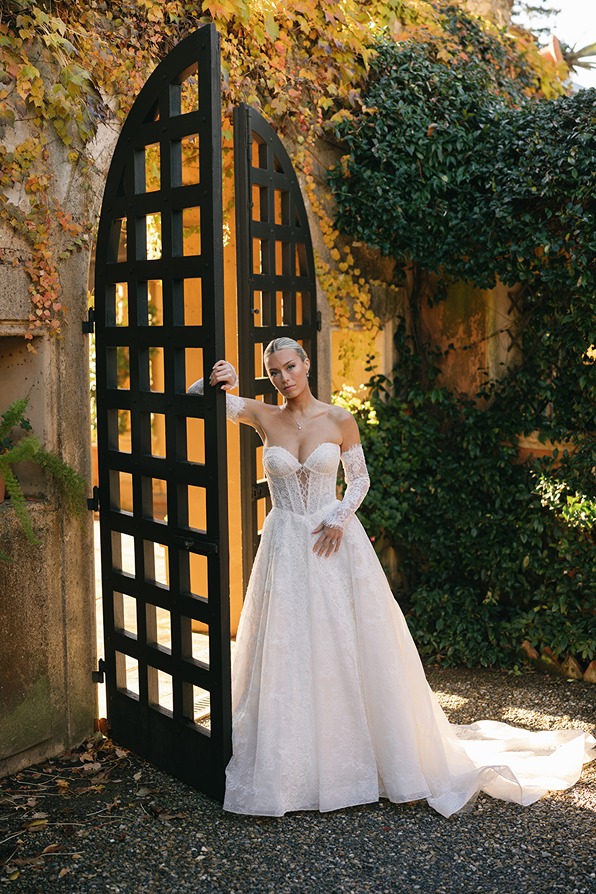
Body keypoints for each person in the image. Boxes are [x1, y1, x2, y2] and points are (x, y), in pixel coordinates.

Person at [189, 337, 595, 818]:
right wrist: (218, 380)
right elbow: (195, 399)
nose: (284, 377)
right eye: (274, 371)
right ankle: (292, 765)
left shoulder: (339, 419)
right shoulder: (261, 414)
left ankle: (356, 757)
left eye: (290, 366)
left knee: (344, 644)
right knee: (287, 646)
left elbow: (359, 479)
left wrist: (340, 516)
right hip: (283, 544)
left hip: (329, 540)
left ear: (306, 365)